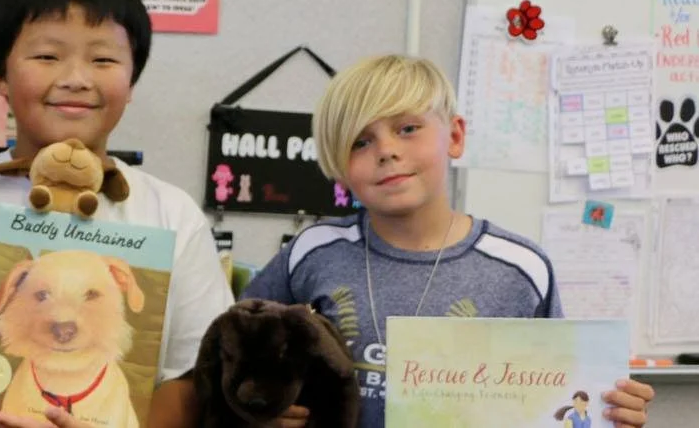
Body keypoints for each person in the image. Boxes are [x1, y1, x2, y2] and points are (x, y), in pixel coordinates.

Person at [0, 0, 233, 428]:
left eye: (103, 59)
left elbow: (190, 373)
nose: (76, 78)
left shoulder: (173, 214)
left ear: (131, 80)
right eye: (47, 56)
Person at [242, 54, 654, 428]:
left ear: (454, 136)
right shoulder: (310, 252)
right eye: (360, 141)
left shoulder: (519, 269)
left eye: (407, 128)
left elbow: (554, 400)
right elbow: (234, 365)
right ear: (337, 163)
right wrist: (257, 413)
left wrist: (609, 412)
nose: (386, 151)